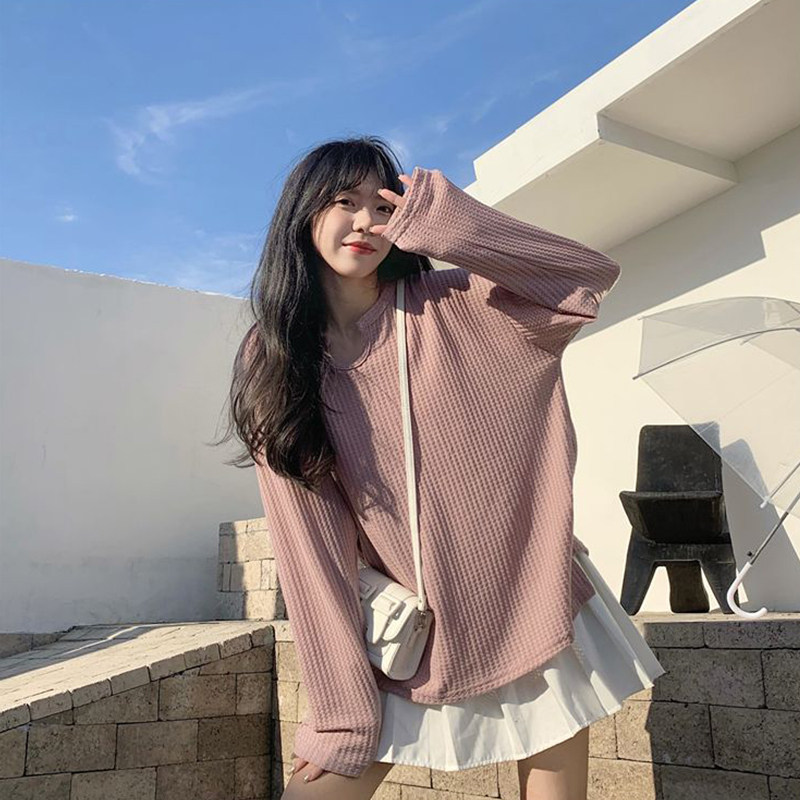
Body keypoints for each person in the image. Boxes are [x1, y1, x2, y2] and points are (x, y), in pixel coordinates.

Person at [220, 136, 666, 800]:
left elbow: (583, 276)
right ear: (303, 212)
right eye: (344, 202)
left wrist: (448, 221)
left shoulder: (456, 303)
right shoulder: (277, 351)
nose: (367, 222)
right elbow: (309, 544)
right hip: (412, 631)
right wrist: (342, 708)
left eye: (383, 206)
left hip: (531, 595)